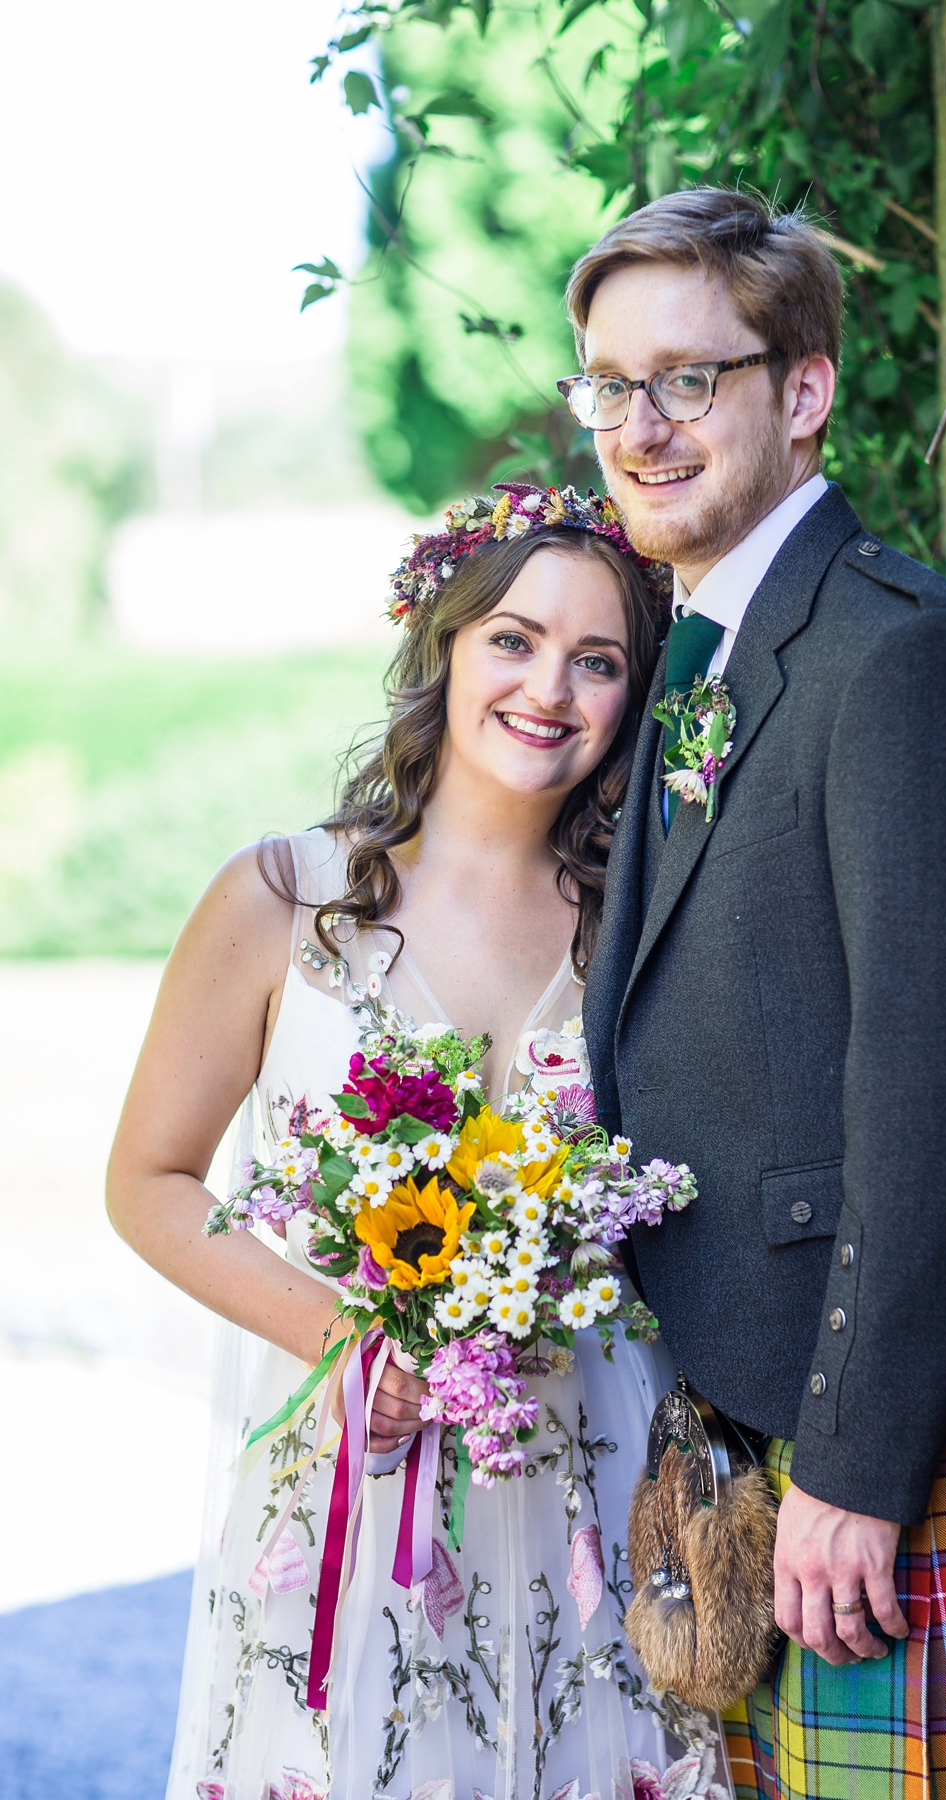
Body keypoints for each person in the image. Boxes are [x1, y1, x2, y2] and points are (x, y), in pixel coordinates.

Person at [570, 188, 946, 1799]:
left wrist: (860, 1471)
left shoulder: (901, 658)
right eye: (608, 386)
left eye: (687, 381)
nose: (639, 429)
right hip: (764, 1433)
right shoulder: (716, 648)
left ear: (801, 395)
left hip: (894, 1451)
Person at [107, 492, 723, 1800]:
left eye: (598, 660)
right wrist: (346, 1342)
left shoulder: (644, 927)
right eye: (513, 638)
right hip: (354, 1495)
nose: (548, 687)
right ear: (443, 645)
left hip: (595, 1502)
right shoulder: (283, 899)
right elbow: (147, 1182)